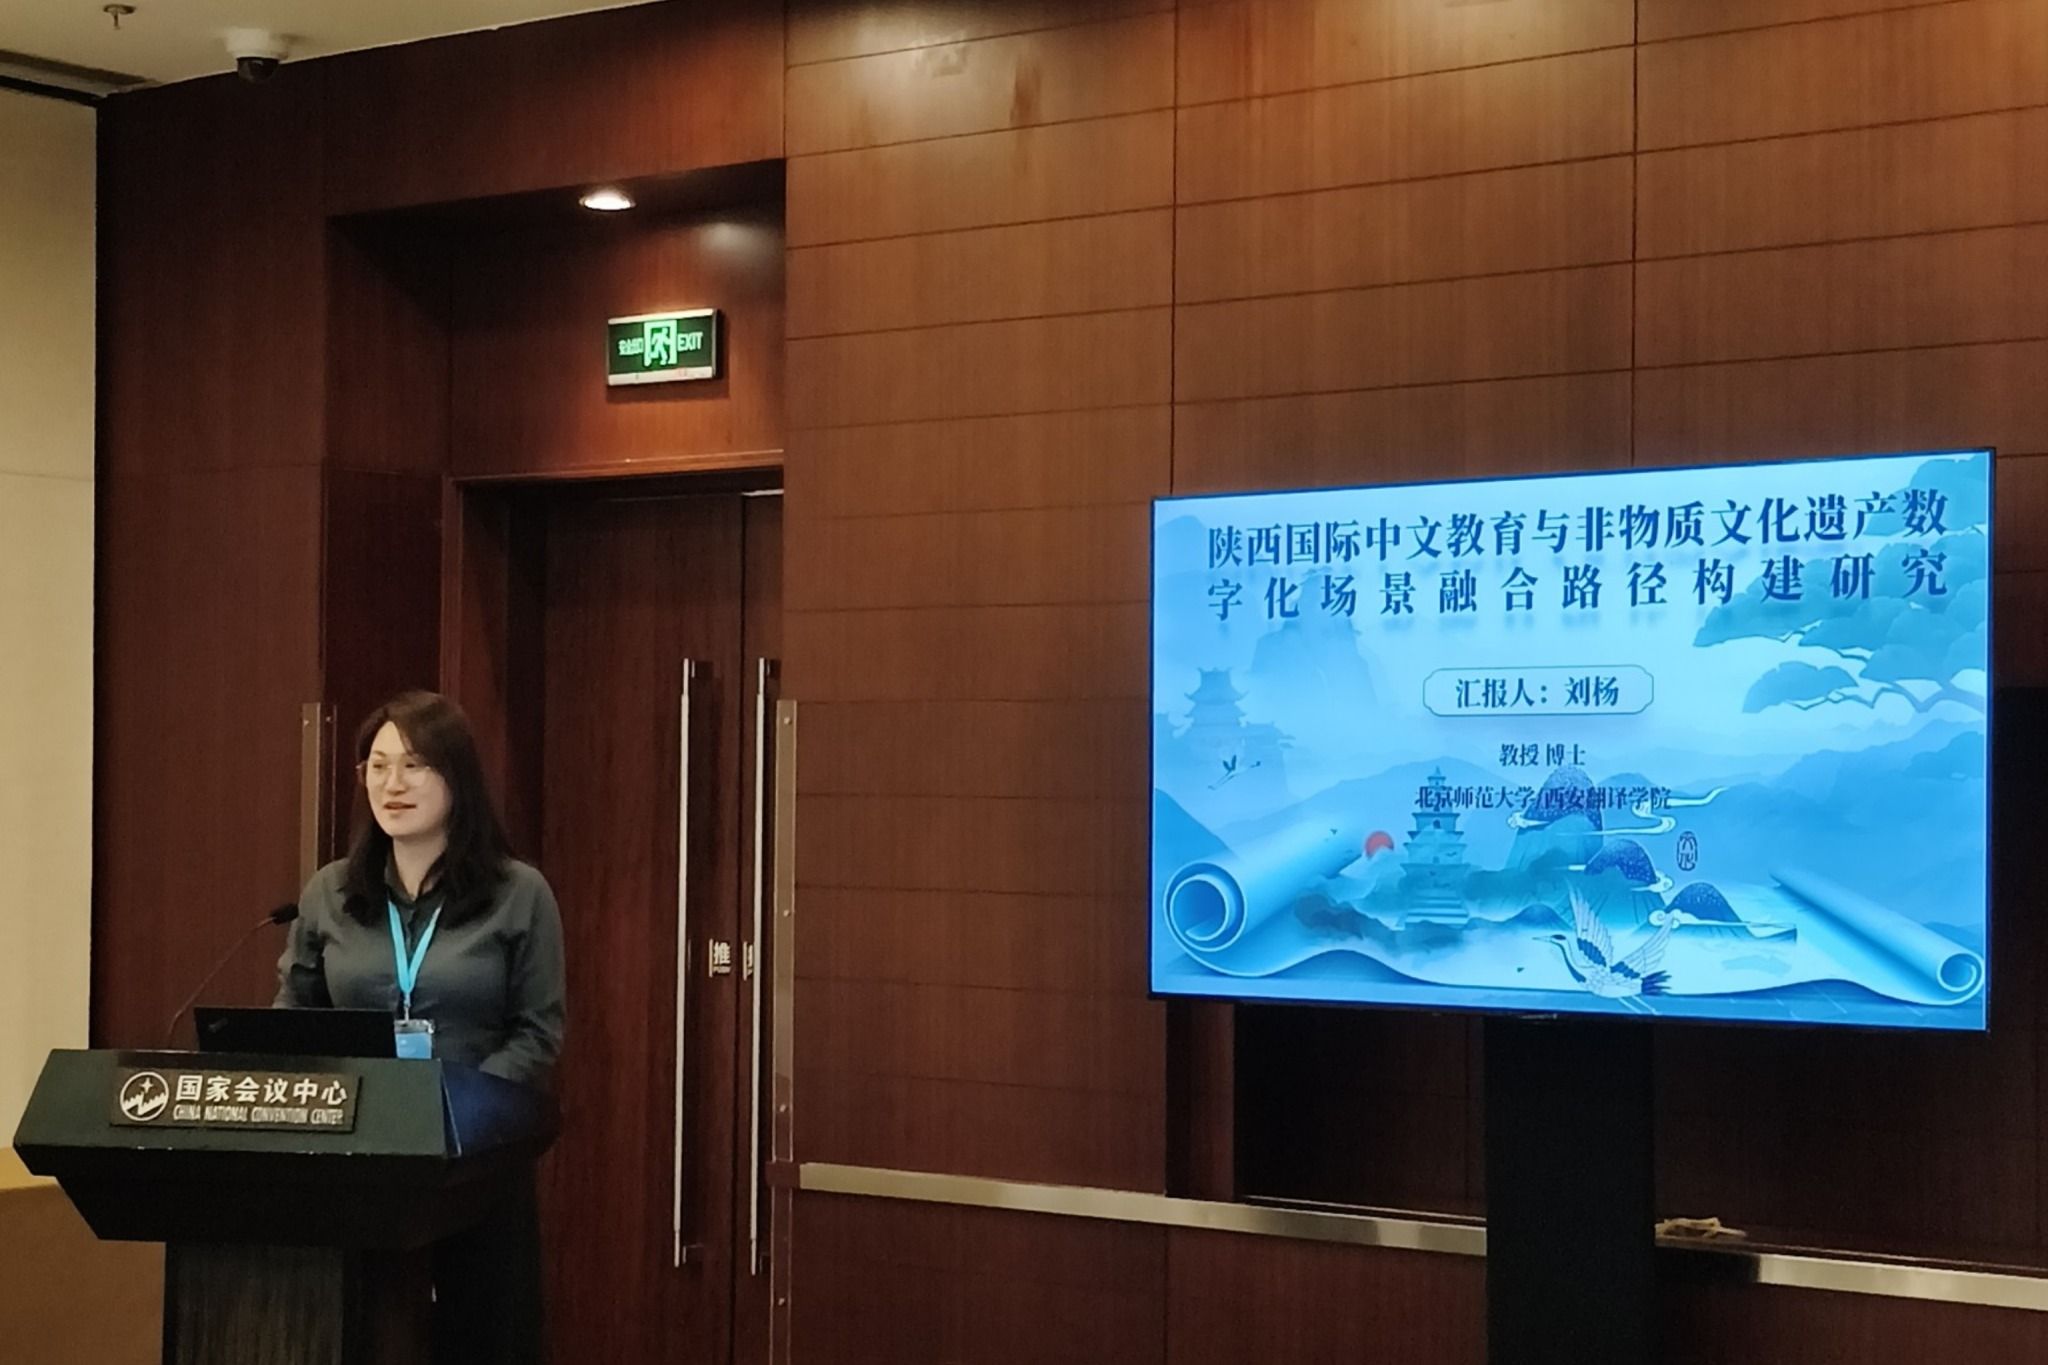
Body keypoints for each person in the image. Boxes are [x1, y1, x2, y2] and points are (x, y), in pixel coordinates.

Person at [276, 689, 565, 1365]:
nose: (392, 785)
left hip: (477, 1168)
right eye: (377, 767)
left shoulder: (518, 893)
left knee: (481, 1339)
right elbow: (296, 1017)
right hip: (357, 1168)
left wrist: (457, 1117)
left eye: (413, 765)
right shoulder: (330, 893)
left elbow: (538, 1032)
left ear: (456, 775)